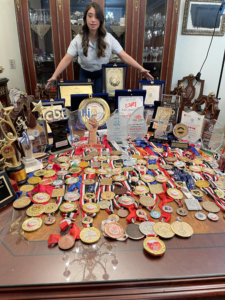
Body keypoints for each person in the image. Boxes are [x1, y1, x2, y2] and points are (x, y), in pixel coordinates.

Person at [46, 2, 154, 93]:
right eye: (90, 16)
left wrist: (141, 69)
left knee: (100, 101)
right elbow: (66, 59)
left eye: (97, 17)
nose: (93, 20)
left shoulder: (109, 38)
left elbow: (124, 56)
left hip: (102, 74)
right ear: (85, 18)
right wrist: (54, 76)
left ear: (101, 19)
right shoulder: (78, 39)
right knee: (84, 102)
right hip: (84, 73)